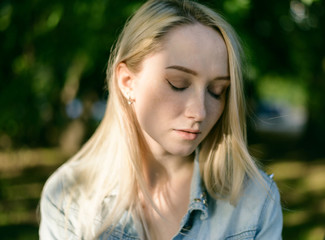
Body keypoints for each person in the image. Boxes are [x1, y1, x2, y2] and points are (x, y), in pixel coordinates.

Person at [39, 0, 283, 239]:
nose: (200, 112)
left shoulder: (255, 201)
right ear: (127, 82)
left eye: (216, 91)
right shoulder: (68, 197)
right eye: (178, 84)